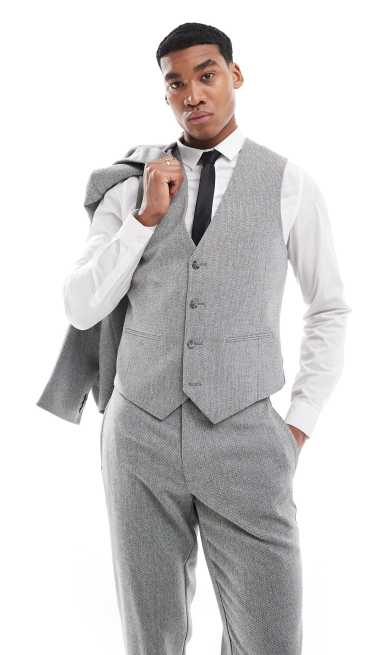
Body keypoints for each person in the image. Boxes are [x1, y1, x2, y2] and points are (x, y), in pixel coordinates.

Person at [62, 21, 351, 655]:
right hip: (140, 435)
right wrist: (146, 217)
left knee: (271, 639)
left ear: (234, 76)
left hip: (246, 437)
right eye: (176, 83)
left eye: (207, 75)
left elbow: (329, 307)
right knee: (151, 640)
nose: (192, 93)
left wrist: (297, 426)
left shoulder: (290, 183)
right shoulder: (130, 186)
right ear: (165, 93)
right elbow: (82, 305)